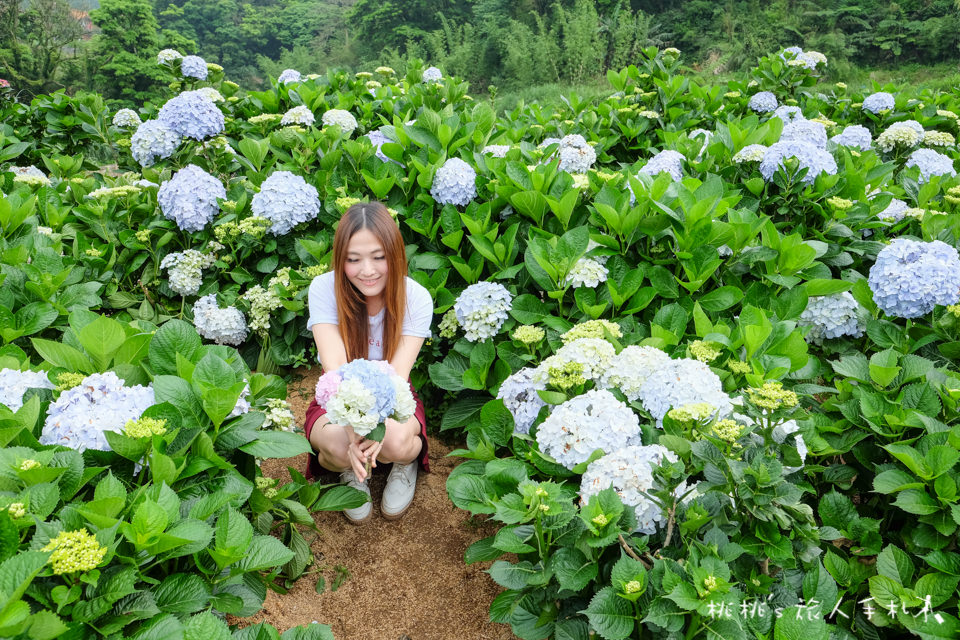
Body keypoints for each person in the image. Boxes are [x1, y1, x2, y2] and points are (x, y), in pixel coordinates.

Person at [303, 202, 433, 523]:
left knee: (396, 442)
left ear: (395, 253)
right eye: (353, 259)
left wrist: (375, 428)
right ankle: (350, 467)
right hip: (338, 400)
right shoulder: (323, 289)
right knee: (333, 449)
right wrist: (351, 433)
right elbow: (334, 369)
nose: (367, 270)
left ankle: (404, 463)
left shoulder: (415, 297)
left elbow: (398, 375)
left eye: (379, 257)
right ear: (340, 259)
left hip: (393, 398)